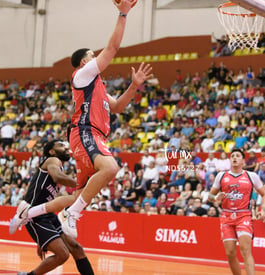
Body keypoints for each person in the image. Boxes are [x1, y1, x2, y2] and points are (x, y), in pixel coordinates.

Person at [58, 0, 151, 238]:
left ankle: (33, 212)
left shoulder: (96, 85)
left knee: (79, 193)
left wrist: (133, 86)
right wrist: (123, 13)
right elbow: (111, 50)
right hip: (86, 131)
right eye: (92, 55)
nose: (96, 57)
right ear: (84, 62)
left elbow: (118, 106)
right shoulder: (81, 75)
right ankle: (72, 214)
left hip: (94, 135)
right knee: (110, 167)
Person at [11, 140, 94, 275]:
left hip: (48, 214)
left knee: (76, 248)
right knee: (63, 254)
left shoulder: (58, 165)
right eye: (60, 145)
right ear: (52, 151)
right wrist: (81, 184)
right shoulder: (52, 160)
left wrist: (41, 240)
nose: (66, 147)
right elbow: (57, 177)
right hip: (34, 216)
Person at [208, 148, 265, 275]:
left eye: (238, 156)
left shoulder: (252, 176)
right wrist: (216, 198)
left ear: (243, 160)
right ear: (230, 160)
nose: (234, 158)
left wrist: (262, 209)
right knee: (230, 253)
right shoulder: (221, 176)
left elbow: (264, 195)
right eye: (232, 156)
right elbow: (210, 197)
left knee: (245, 250)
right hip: (226, 216)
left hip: (244, 215)